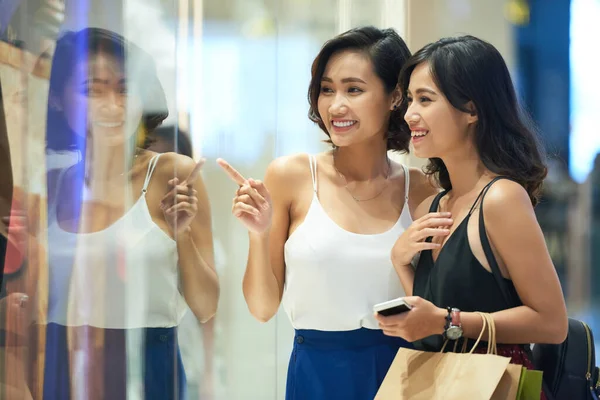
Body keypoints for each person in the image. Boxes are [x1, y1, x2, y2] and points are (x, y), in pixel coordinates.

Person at [218, 26, 437, 400]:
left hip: (407, 372)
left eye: (353, 89)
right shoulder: (291, 176)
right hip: (317, 373)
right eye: (326, 89)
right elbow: (262, 308)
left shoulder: (422, 189)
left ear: (395, 97)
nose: (336, 106)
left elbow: (438, 308)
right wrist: (258, 232)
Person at [379, 36, 568, 399]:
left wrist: (449, 320)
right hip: (445, 384)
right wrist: (401, 262)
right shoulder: (436, 205)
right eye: (409, 100)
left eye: (425, 99)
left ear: (471, 110)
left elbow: (552, 323)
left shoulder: (501, 198)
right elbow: (429, 327)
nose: (408, 114)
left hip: (498, 384)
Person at [41, 28, 219, 399]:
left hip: (146, 363)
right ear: (58, 99)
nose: (113, 104)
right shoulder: (51, 184)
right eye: (93, 89)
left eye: (124, 88)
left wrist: (181, 233)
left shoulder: (172, 173)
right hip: (60, 362)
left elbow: (206, 306)